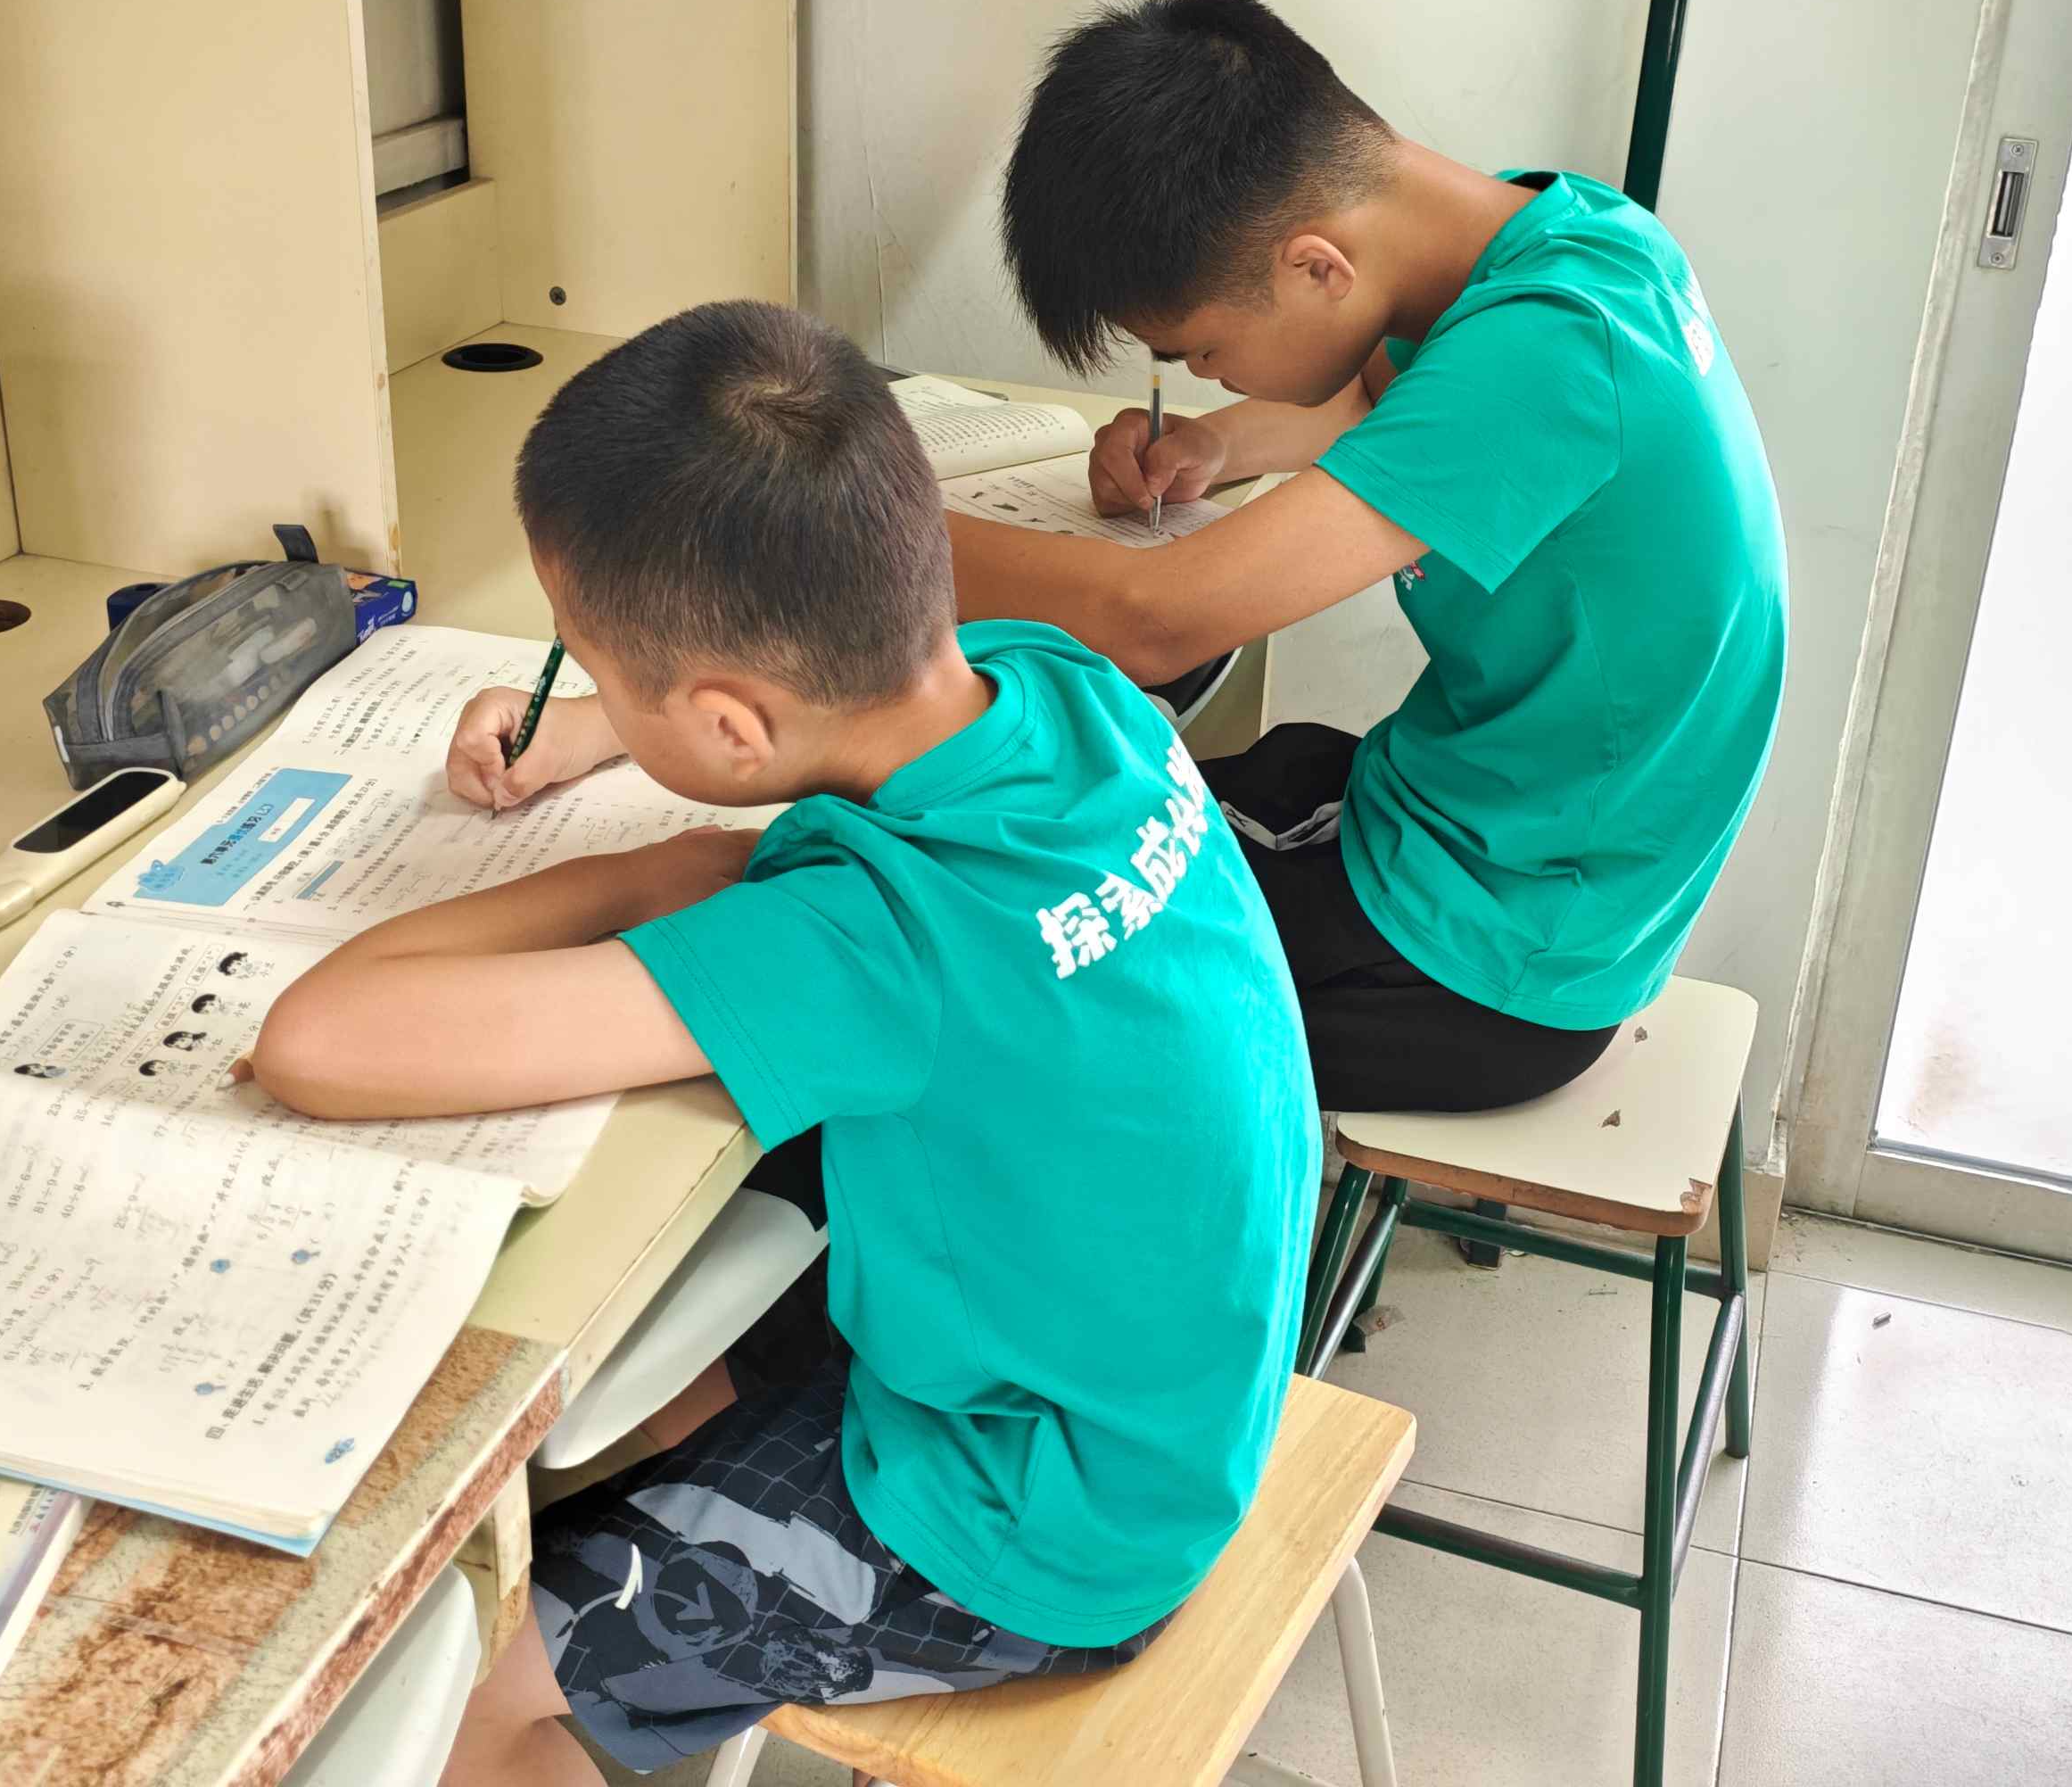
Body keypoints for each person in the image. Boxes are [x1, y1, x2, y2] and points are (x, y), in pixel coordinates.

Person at [248, 299, 1318, 1782]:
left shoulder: (867, 938)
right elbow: (805, 758)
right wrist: (613, 723)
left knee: (459, 1679)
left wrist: (655, 871)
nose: (581, 685)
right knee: (623, 1389)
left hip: (1032, 1523)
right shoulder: (1061, 690)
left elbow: (317, 1038)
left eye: (588, 660)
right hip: (1158, 1386)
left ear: (731, 723)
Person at [948, 0, 1787, 1118]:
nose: (1203, 376)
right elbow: (1395, 405)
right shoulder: (1571, 242)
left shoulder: (1550, 356)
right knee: (1033, 839)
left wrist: (863, 525)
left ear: (1316, 268)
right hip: (1499, 852)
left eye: (1198, 352)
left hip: (1482, 963)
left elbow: (1155, 620)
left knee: (973, 957)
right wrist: (1217, 443)